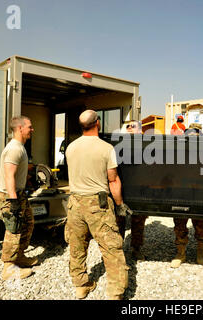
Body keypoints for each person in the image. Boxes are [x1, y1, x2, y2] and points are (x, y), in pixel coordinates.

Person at [65, 109, 131, 300]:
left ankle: (81, 286)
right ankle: (115, 293)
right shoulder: (106, 148)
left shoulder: (71, 147)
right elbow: (113, 180)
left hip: (75, 204)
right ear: (98, 123)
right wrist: (119, 205)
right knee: (111, 248)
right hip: (97, 205)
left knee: (77, 247)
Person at [0, 116, 37, 281]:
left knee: (28, 223)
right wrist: (13, 200)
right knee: (14, 229)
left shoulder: (20, 147)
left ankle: (19, 256)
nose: (32, 130)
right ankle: (9, 268)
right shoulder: (15, 148)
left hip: (18, 194)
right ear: (20, 128)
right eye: (30, 127)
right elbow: (9, 175)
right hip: (10, 196)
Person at [170, 123, 203, 268]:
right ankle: (181, 252)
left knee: (200, 222)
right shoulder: (178, 151)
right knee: (179, 222)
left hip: (199, 192)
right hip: (181, 192)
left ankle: (200, 249)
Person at [122, 120, 148, 260]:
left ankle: (136, 248)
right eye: (128, 127)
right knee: (119, 220)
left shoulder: (146, 145)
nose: (130, 129)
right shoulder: (120, 145)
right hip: (122, 189)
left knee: (138, 221)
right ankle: (117, 249)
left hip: (139, 189)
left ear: (140, 130)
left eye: (133, 127)